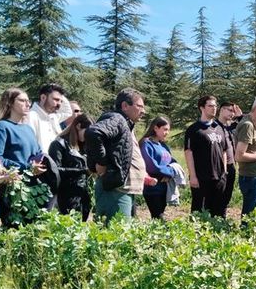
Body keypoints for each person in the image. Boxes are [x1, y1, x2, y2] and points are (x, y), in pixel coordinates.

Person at [86, 88, 152, 223]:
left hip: (123, 190)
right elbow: (93, 133)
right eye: (139, 106)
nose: (143, 111)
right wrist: (101, 163)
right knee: (113, 237)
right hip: (115, 190)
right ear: (125, 106)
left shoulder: (126, 124)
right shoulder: (117, 118)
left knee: (121, 236)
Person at [0, 88, 47, 227]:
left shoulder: (28, 128)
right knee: (15, 229)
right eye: (22, 100)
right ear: (9, 103)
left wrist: (41, 163)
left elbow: (37, 152)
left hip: (33, 187)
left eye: (28, 101)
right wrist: (26, 167)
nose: (27, 104)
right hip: (12, 189)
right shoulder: (1, 127)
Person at [184, 95, 228, 217]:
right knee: (199, 211)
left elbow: (224, 150)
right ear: (201, 108)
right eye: (210, 106)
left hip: (219, 178)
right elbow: (188, 152)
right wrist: (193, 176)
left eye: (215, 106)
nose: (214, 108)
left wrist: (224, 171)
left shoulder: (219, 128)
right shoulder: (194, 129)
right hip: (201, 178)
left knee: (217, 211)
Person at [48, 114, 94, 221]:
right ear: (78, 126)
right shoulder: (58, 144)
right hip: (65, 195)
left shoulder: (84, 146)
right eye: (87, 131)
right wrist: (83, 171)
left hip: (82, 195)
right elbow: (55, 170)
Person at [140, 116, 178, 220]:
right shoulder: (146, 144)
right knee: (158, 217)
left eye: (168, 130)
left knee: (159, 215)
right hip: (152, 187)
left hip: (164, 187)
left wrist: (172, 171)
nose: (167, 133)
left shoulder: (163, 145)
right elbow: (151, 166)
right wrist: (169, 173)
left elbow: (172, 162)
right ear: (156, 128)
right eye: (165, 129)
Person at [215, 102, 240, 218]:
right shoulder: (214, 126)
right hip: (218, 167)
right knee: (217, 196)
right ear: (221, 110)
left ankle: (222, 220)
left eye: (233, 111)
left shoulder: (229, 128)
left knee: (226, 197)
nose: (232, 113)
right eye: (229, 110)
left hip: (231, 166)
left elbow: (243, 123)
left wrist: (239, 116)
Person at [25, 83, 66, 152]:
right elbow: (29, 145)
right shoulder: (31, 116)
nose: (59, 104)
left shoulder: (53, 117)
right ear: (43, 97)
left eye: (61, 101)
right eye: (56, 99)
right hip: (41, 161)